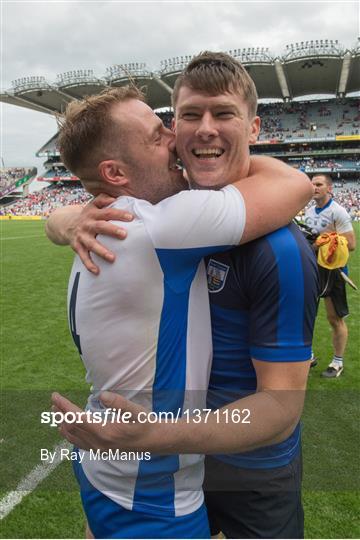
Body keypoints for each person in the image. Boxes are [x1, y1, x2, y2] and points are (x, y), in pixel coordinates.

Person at [48, 52, 318, 539]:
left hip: (239, 471)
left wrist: (63, 220)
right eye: (180, 121)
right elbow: (293, 182)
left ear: (253, 126)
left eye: (224, 115)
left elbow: (281, 408)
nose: (182, 136)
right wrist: (64, 220)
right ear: (115, 173)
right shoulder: (162, 226)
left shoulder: (277, 249)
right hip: (157, 473)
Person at [304, 173, 356, 378]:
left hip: (334, 273)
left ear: (329, 188)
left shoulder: (338, 211)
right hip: (313, 269)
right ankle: (308, 356)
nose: (314, 187)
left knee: (335, 319)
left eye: (318, 184)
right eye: (312, 184)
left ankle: (337, 362)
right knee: (306, 315)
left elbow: (351, 245)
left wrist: (324, 240)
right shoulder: (308, 210)